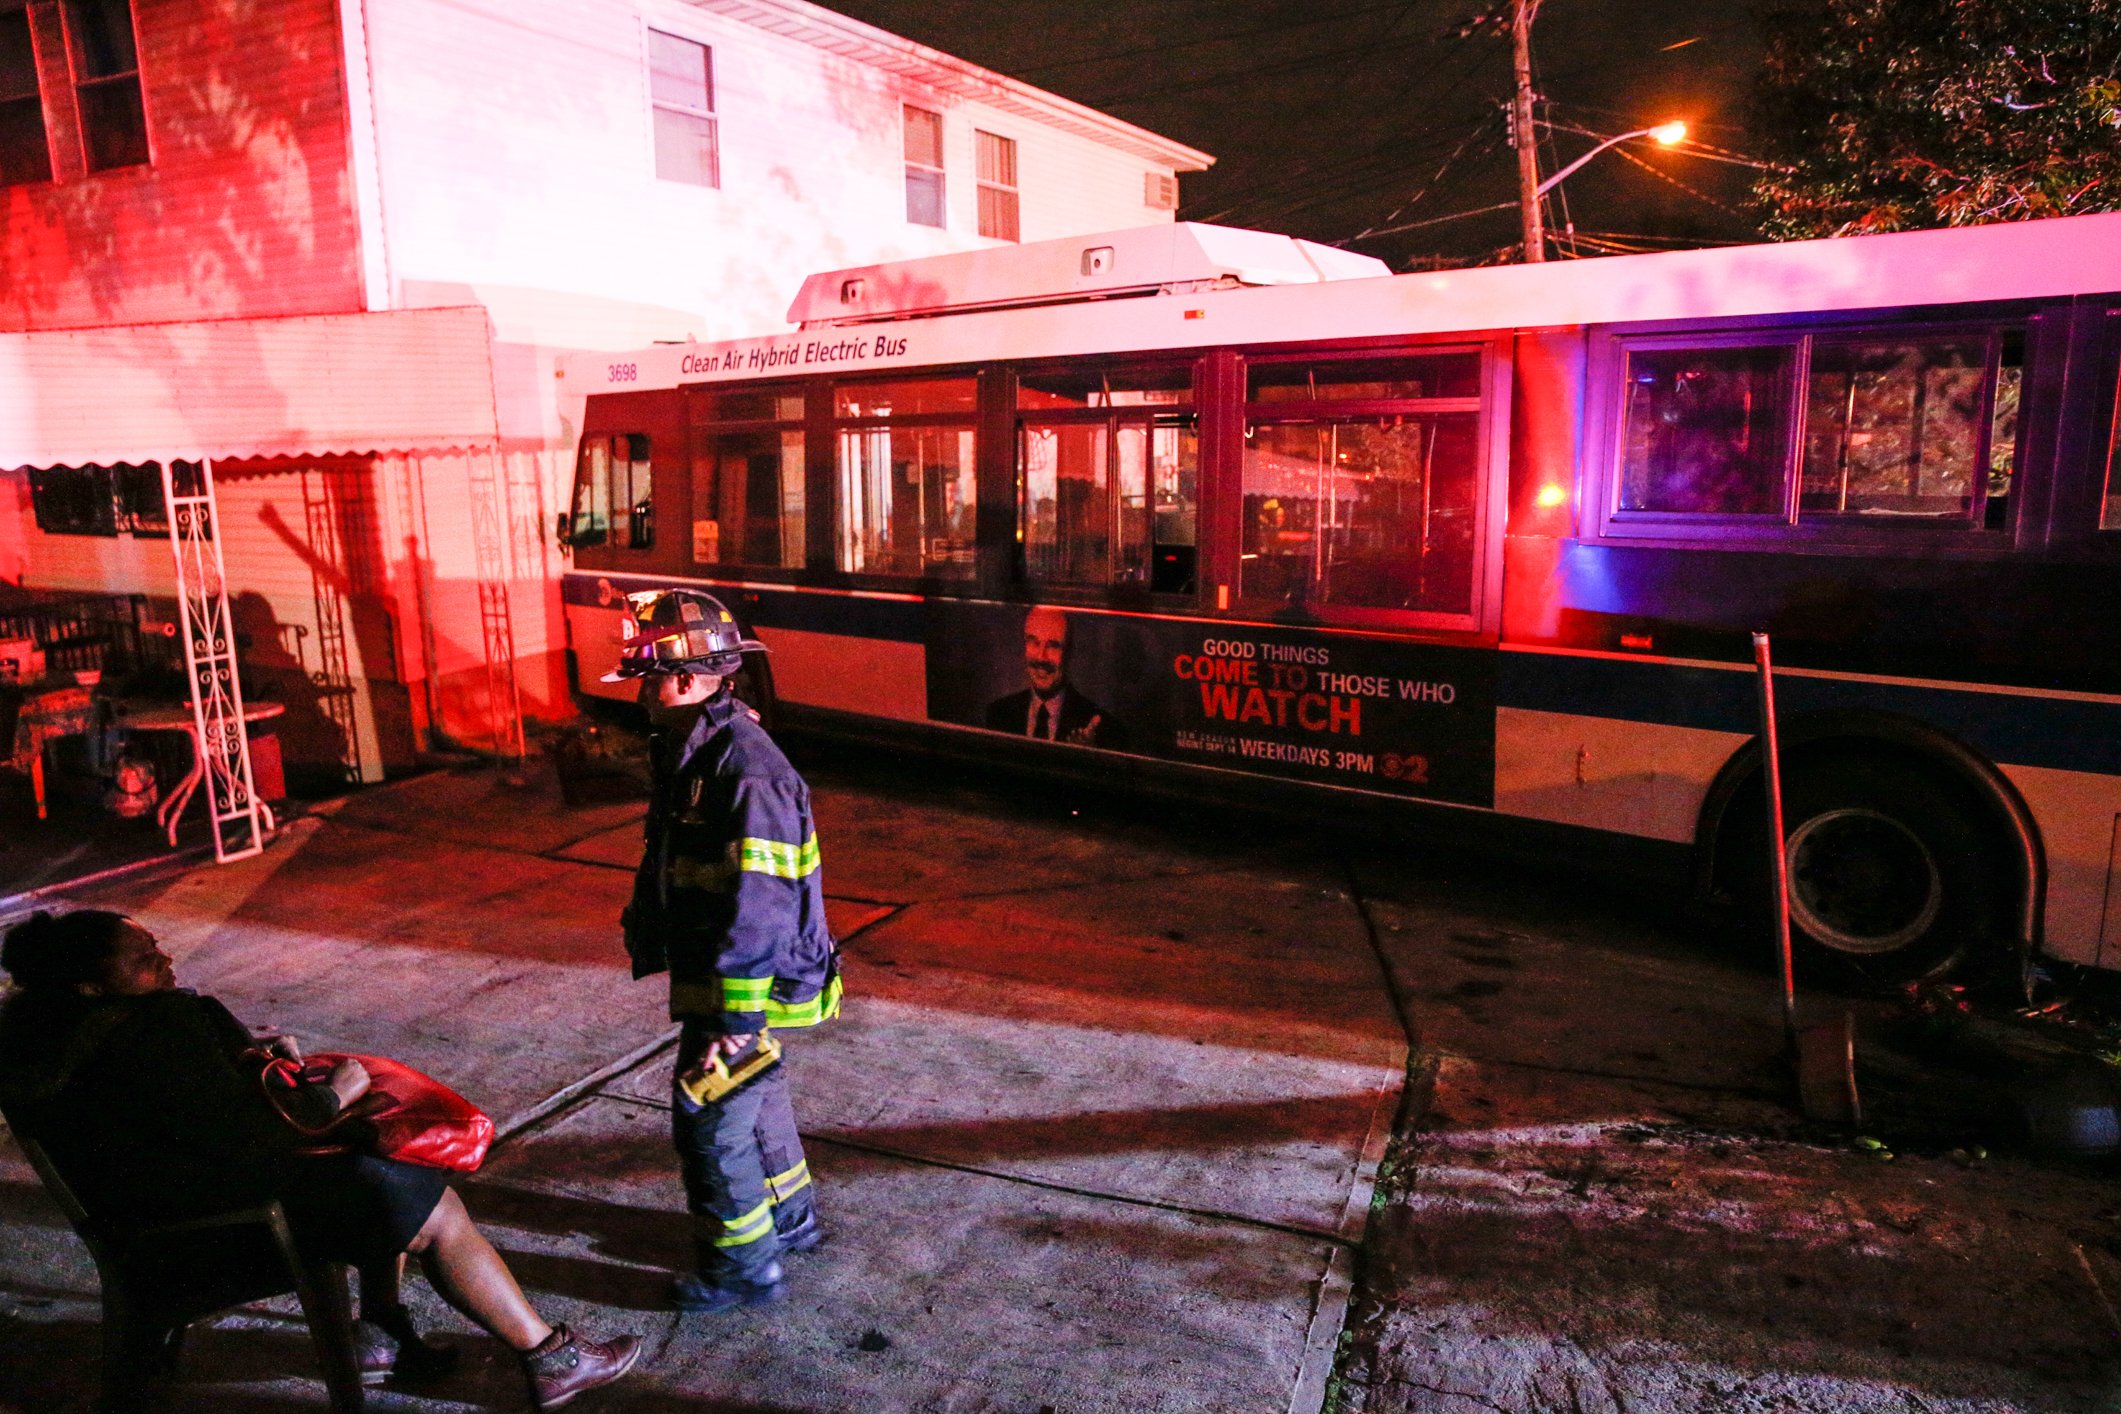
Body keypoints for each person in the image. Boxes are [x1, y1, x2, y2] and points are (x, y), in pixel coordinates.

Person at [0, 909, 639, 1412]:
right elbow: (264, 1133)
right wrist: (340, 1090)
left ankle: (382, 1335)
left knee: (380, 1174)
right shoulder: (157, 1030)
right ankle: (552, 1359)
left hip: (157, 1226)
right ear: (90, 985)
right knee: (426, 1202)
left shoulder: (41, 1042)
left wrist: (254, 1068)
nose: (164, 961)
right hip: (232, 1231)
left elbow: (186, 1121)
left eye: (157, 947)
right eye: (143, 960)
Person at [608, 587, 842, 1315]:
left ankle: (742, 1265)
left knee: (707, 1121)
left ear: (680, 678)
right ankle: (791, 1221)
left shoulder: (744, 769)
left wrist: (732, 1022)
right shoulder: (702, 748)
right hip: (729, 976)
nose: (642, 692)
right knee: (755, 1098)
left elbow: (759, 907)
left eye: (647, 676)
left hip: (745, 982)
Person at [982, 604, 1127, 748]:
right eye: (1034, 642)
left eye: (1053, 646)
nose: (1041, 657)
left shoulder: (1105, 729)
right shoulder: (998, 714)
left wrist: (1088, 760)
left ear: (1069, 652)